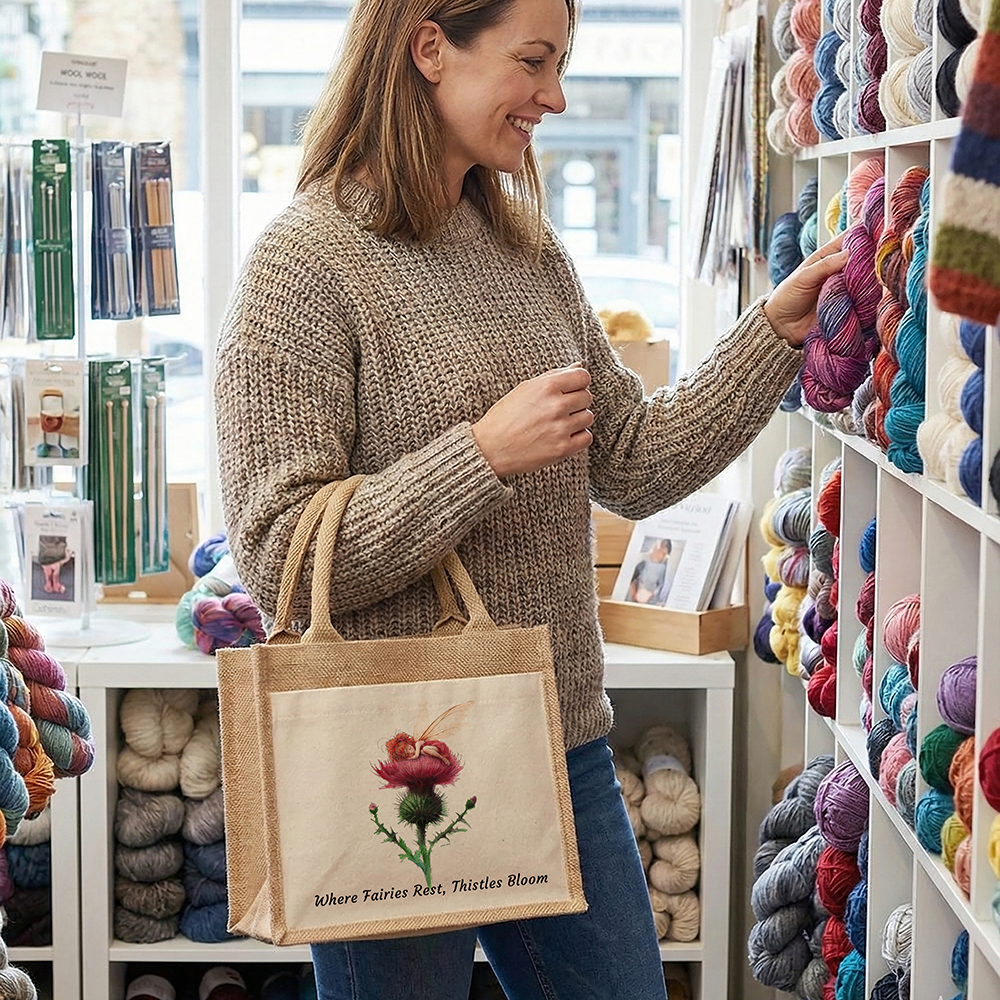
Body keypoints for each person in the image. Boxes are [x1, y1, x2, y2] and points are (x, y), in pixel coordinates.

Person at [214, 1, 848, 997]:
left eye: (560, 65)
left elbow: (635, 459)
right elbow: (276, 550)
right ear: (430, 48)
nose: (553, 96)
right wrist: (480, 456)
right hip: (389, 750)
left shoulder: (528, 255)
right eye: (533, 61)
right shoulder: (302, 265)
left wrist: (770, 329)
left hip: (561, 742)